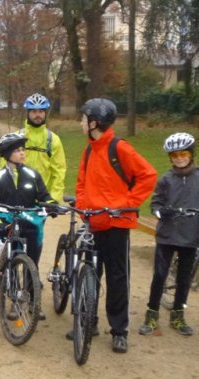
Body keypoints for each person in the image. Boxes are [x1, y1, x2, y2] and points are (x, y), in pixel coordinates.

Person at [73, 98, 157, 353]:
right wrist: (83, 208)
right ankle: (89, 321)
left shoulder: (119, 148)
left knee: (118, 277)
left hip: (116, 224)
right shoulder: (89, 149)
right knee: (88, 272)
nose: (80, 122)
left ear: (94, 123)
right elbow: (81, 183)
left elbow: (148, 175)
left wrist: (127, 203)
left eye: (83, 118)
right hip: (93, 222)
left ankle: (119, 330)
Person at [138, 133, 199, 337]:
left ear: (192, 153)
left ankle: (178, 315)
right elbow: (156, 202)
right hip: (168, 235)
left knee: (184, 277)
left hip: (191, 234)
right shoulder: (166, 179)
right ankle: (151, 314)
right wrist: (159, 210)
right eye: (175, 155)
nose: (179, 158)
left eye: (184, 153)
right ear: (170, 157)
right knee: (160, 275)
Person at [0, 133, 55, 321]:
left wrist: (51, 204)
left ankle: (32, 302)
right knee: (13, 262)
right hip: (8, 225)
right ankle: (15, 301)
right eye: (17, 150)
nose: (22, 153)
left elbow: (44, 196)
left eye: (23, 150)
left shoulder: (33, 175)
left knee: (32, 263)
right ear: (7, 154)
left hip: (30, 224)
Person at [0, 93, 66, 203]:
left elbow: (59, 172)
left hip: (41, 198)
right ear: (28, 113)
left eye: (41, 111)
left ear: (45, 113)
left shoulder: (53, 139)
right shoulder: (17, 137)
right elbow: (4, 166)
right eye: (34, 111)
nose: (37, 115)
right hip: (17, 196)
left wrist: (53, 199)